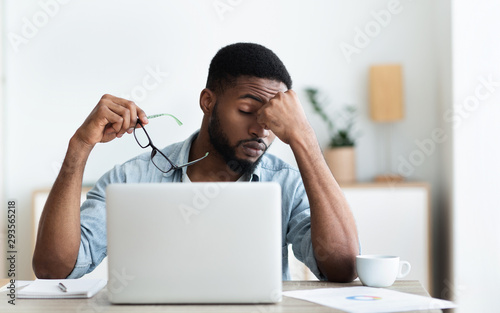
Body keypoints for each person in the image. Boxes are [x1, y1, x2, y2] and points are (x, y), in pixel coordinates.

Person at [33, 42, 359, 282]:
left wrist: (304, 138)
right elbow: (53, 268)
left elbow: (343, 266)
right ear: (208, 102)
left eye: (274, 118)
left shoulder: (284, 182)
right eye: (247, 111)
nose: (261, 129)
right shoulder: (132, 179)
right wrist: (79, 147)